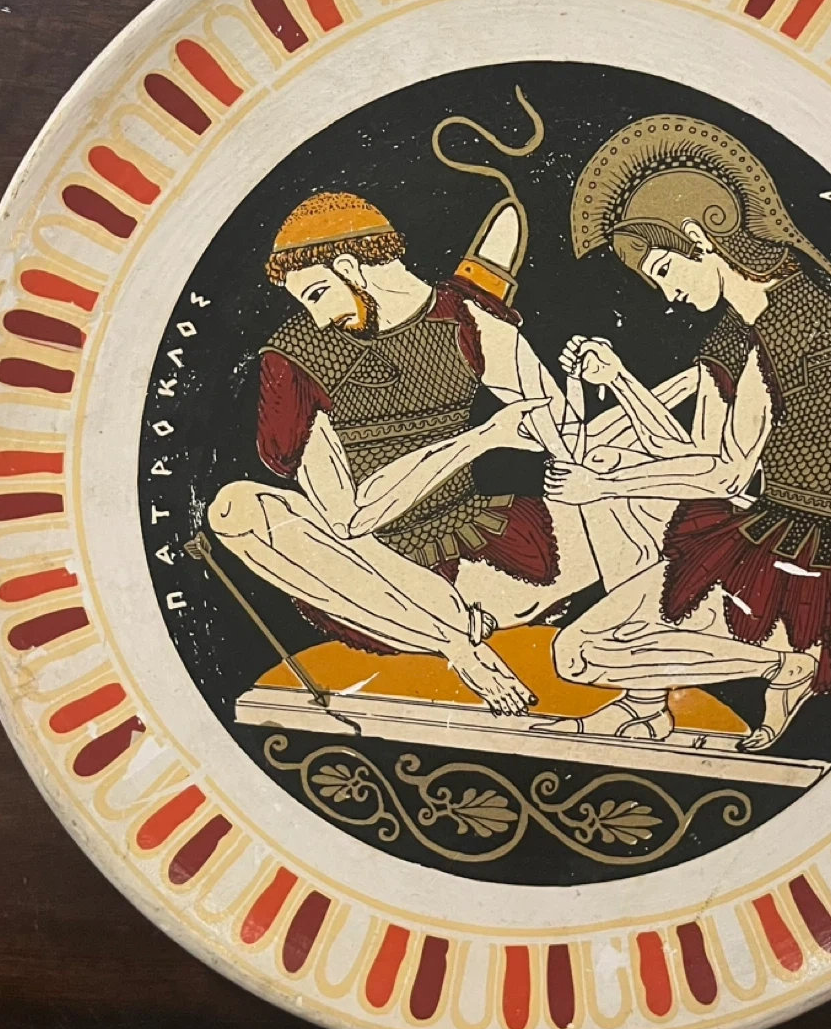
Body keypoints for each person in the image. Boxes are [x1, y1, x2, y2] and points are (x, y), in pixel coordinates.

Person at [544, 117, 831, 751]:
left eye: (665, 270)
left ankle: (785, 663)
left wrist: (605, 482)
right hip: (752, 519)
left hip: (790, 547)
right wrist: (618, 381)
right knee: (617, 487)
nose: (668, 294)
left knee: (580, 653)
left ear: (701, 238)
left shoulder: (804, 322)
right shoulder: (740, 323)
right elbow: (693, 450)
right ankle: (650, 706)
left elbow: (724, 471)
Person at [208, 190, 596, 716]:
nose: (317, 318)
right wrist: (480, 438)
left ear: (350, 267)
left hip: (493, 550)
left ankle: (471, 629)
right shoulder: (296, 357)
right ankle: (457, 646)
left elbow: (565, 436)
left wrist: (581, 394)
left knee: (634, 477)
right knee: (235, 510)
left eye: (318, 294)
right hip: (377, 577)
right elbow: (347, 518)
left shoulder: (464, 318)